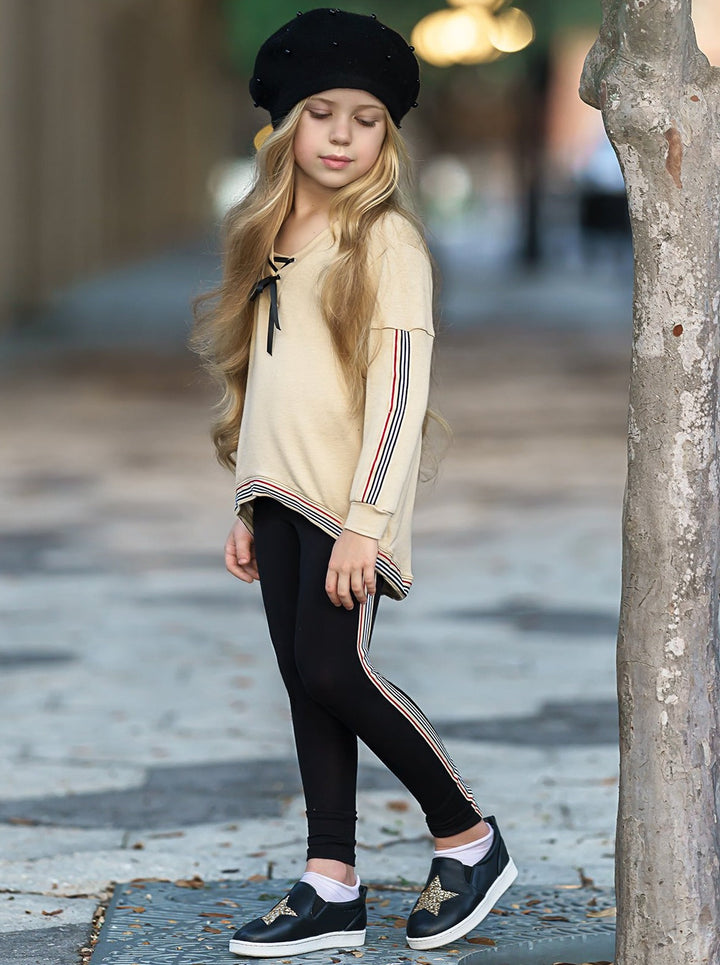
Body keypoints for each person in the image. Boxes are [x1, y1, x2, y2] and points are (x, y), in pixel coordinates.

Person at [191, 8, 517, 958]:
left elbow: (399, 393)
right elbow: (260, 375)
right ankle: (331, 880)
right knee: (306, 680)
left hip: (347, 507)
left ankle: (468, 836)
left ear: (388, 136)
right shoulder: (267, 230)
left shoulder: (387, 241)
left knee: (340, 669)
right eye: (323, 114)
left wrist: (366, 523)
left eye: (366, 119)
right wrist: (248, 496)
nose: (342, 136)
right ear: (286, 124)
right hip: (281, 495)